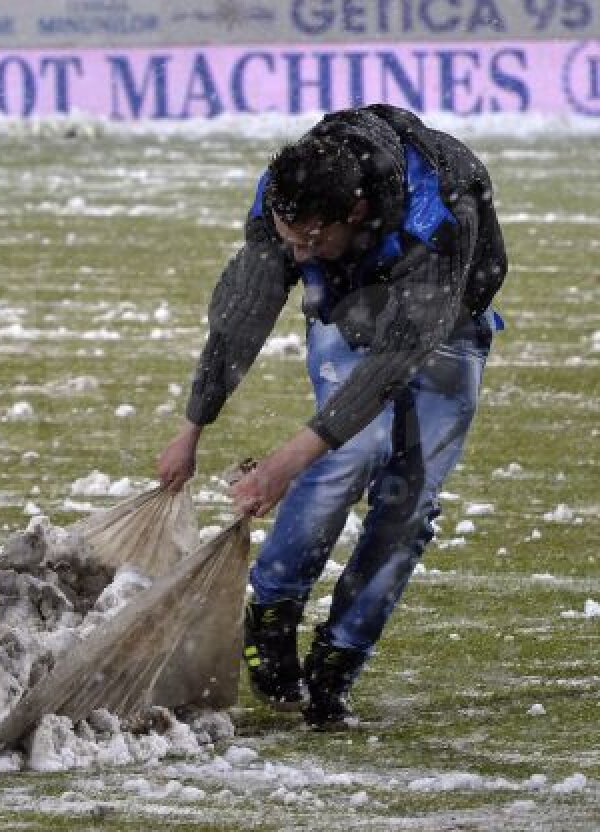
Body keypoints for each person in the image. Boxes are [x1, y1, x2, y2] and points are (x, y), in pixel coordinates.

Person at [157, 105, 506, 729]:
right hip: (349, 310)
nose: (295, 253)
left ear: (354, 214)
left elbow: (400, 354)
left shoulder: (441, 210)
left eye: (307, 245)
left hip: (449, 324)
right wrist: (193, 426)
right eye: (287, 241)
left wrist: (288, 460)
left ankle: (338, 661)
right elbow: (246, 310)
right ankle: (274, 612)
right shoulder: (284, 197)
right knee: (349, 454)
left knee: (408, 501)